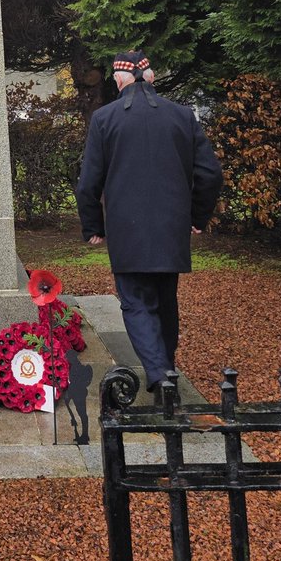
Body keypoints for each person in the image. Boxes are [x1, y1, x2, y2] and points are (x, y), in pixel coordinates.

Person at [75, 51, 223, 396]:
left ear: (118, 80)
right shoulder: (182, 116)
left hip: (127, 230)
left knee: (136, 301)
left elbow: (88, 182)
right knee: (165, 298)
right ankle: (166, 367)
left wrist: (93, 226)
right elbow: (210, 174)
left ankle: (159, 373)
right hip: (171, 228)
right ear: (151, 77)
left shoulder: (104, 119)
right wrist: (197, 217)